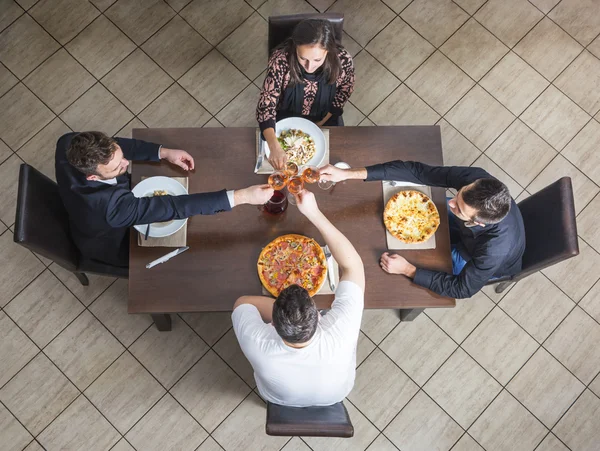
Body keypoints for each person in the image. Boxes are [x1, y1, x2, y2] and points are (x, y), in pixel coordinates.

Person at [55, 131, 273, 268]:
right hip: (112, 241)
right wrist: (243, 196)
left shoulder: (68, 143)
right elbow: (173, 206)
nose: (126, 163)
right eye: (117, 167)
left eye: (121, 155)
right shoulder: (113, 209)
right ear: (92, 177)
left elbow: (116, 146)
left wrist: (164, 152)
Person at [232, 190, 365, 407]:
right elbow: (352, 265)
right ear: (319, 314)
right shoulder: (341, 330)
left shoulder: (257, 341)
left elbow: (242, 303)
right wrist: (314, 213)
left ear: (272, 323)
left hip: (275, 398)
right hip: (337, 394)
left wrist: (283, 307)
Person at [320, 161, 526, 299]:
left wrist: (408, 270)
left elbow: (463, 289)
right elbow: (418, 171)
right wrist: (346, 173)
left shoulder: (493, 251)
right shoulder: (476, 179)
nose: (451, 203)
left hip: (474, 256)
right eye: (459, 194)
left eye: (459, 208)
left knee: (420, 264)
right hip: (473, 232)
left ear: (479, 222)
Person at [256, 19, 355, 169]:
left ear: (328, 51)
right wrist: (274, 146)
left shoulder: (343, 60)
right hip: (286, 117)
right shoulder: (280, 60)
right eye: (303, 58)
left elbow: (344, 92)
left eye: (317, 59)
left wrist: (322, 122)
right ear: (295, 47)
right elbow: (266, 103)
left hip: (325, 116)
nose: (310, 67)